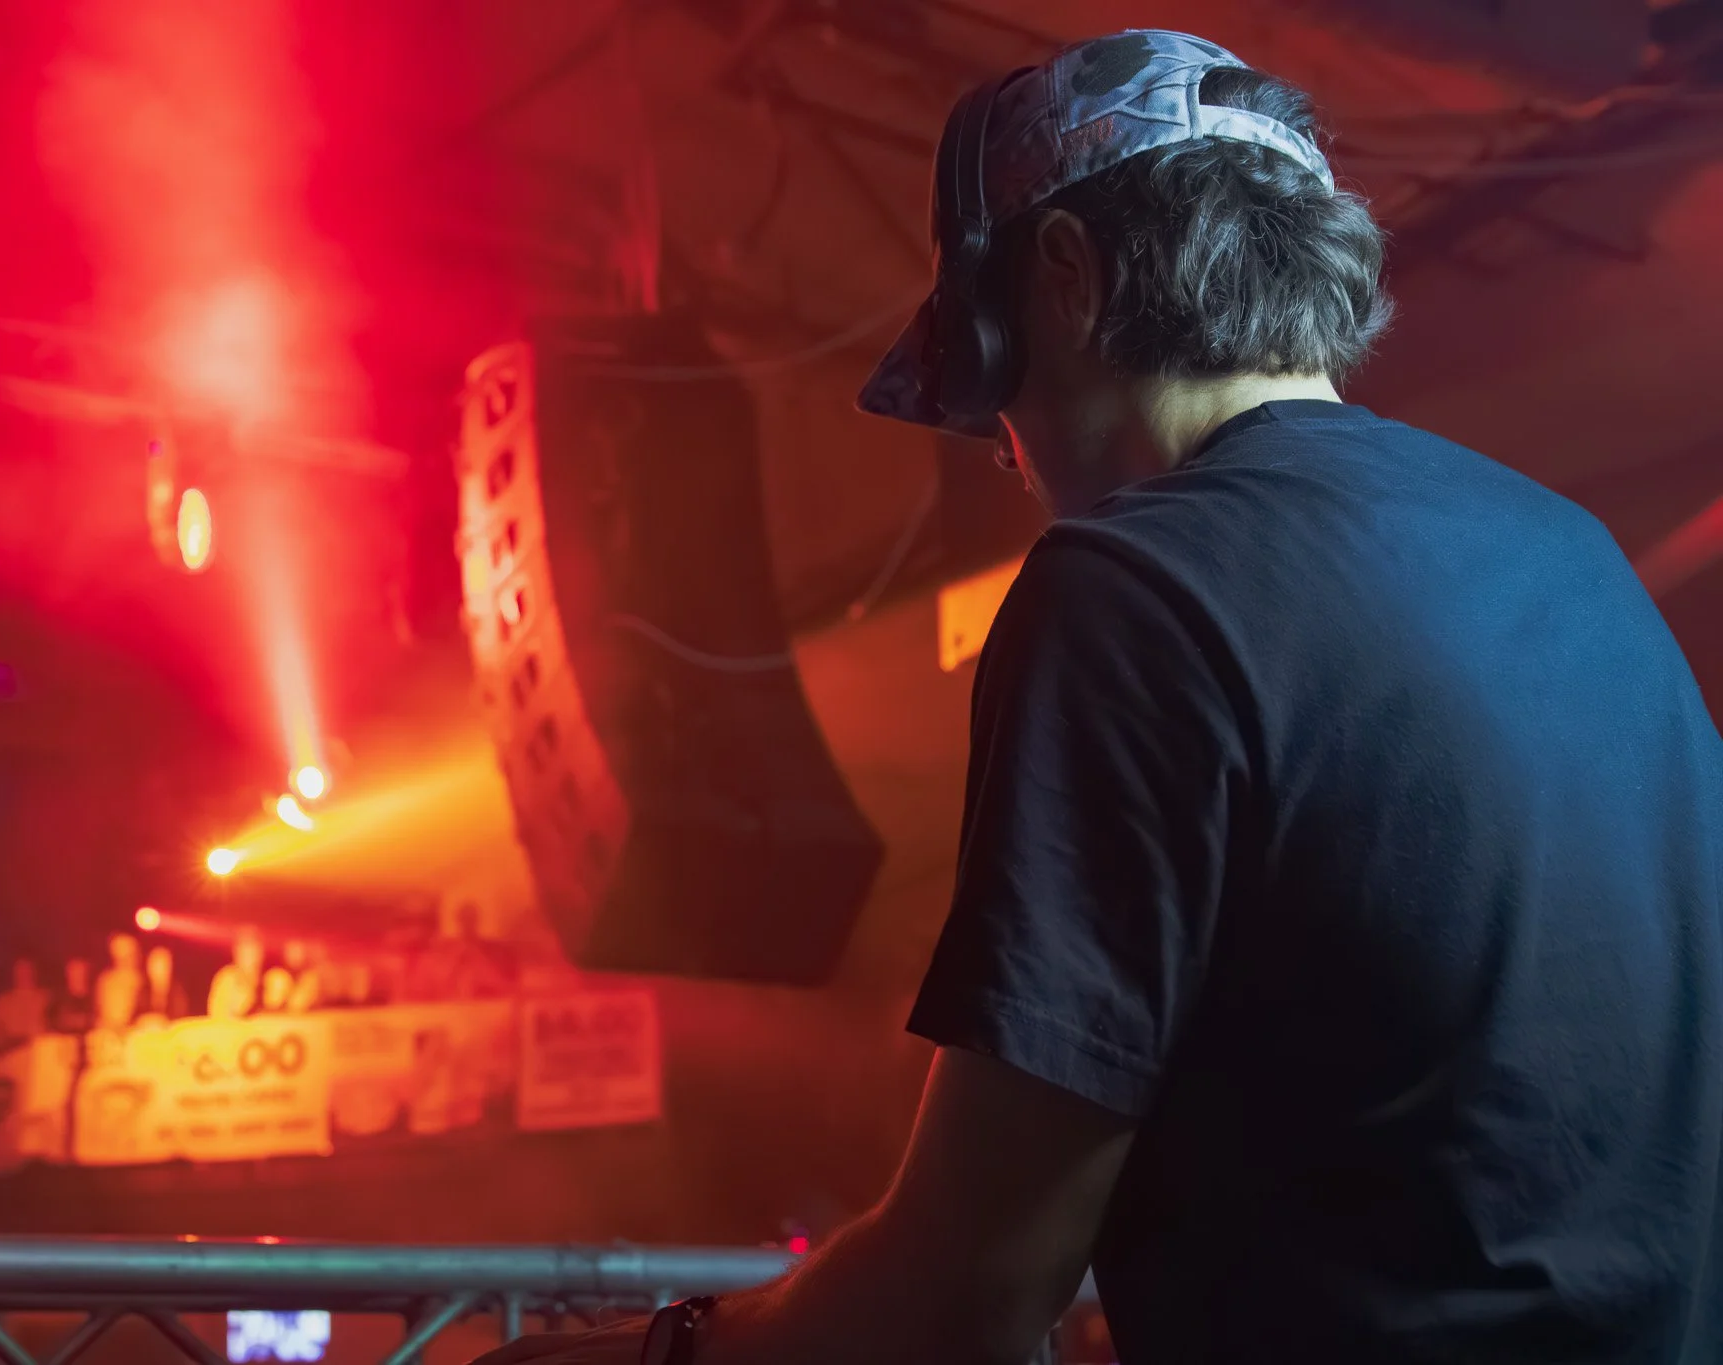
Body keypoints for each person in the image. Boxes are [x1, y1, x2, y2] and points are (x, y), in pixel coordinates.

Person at [476, 30, 1722, 1365]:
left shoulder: (1133, 587)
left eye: (987, 382)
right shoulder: (1566, 552)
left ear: (1063, 279)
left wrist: (648, 1353)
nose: (1005, 450)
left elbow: (965, 1297)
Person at [0, 958, 50, 1051]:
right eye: (19, 969)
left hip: (41, 1054)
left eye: (27, 969)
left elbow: (54, 1033)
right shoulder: (1, 1003)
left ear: (35, 971)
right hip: (10, 1057)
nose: (23, 973)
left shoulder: (47, 1000)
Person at [207, 927, 264, 1019]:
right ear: (236, 951)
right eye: (245, 948)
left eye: (255, 948)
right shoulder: (228, 978)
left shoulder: (267, 981)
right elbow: (219, 1017)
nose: (251, 954)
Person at [93, 933, 144, 1032]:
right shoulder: (106, 980)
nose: (128, 960)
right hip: (109, 1035)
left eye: (130, 955)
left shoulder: (143, 981)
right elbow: (102, 1014)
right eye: (122, 956)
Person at [136, 943, 189, 1026]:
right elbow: (134, 1017)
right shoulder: (143, 991)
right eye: (154, 964)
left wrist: (163, 1021)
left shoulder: (177, 993)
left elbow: (181, 1020)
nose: (158, 969)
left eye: (162, 964)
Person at [50, 958, 96, 1035]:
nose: (76, 976)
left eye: (79, 973)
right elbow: (53, 1026)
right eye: (73, 972)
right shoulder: (58, 1002)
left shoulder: (94, 1000)